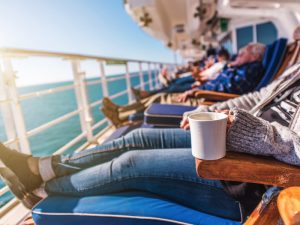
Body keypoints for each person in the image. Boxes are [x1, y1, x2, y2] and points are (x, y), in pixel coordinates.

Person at [1, 62, 300, 223]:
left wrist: (247, 130)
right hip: (234, 137)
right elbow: (259, 98)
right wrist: (212, 112)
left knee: (129, 165)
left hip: (250, 175)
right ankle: (42, 167)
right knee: (136, 137)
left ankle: (41, 190)